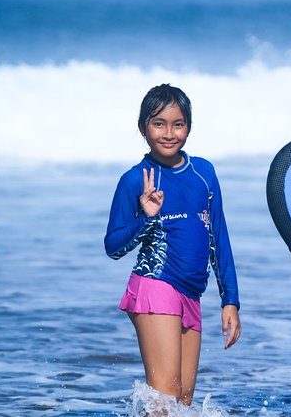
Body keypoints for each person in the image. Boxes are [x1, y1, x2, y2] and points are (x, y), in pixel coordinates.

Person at [104, 83, 241, 406]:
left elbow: (218, 239)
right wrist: (147, 217)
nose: (169, 133)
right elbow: (113, 246)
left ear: (188, 128)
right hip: (155, 287)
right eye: (158, 123)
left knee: (182, 402)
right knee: (163, 398)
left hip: (191, 294)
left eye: (178, 124)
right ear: (143, 128)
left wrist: (230, 300)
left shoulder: (204, 173)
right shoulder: (135, 179)